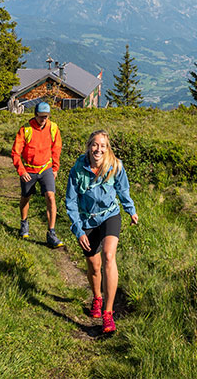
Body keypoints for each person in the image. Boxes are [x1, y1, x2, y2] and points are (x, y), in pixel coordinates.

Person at [65, 130, 139, 334]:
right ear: (89, 146)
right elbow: (70, 203)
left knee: (108, 255)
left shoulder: (115, 166)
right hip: (87, 219)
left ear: (108, 148)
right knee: (94, 266)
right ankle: (97, 297)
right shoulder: (77, 171)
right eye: (95, 145)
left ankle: (108, 313)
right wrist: (78, 230)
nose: (99, 149)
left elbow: (123, 190)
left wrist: (130, 210)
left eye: (103, 146)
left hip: (110, 215)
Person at [11, 101, 65, 248]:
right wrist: (21, 171)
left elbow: (57, 148)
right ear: (35, 115)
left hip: (45, 168)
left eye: (46, 117)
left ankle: (51, 233)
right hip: (28, 170)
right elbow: (16, 152)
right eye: (41, 116)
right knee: (25, 197)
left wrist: (55, 168)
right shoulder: (25, 130)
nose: (43, 120)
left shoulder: (53, 128)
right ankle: (24, 223)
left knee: (51, 197)